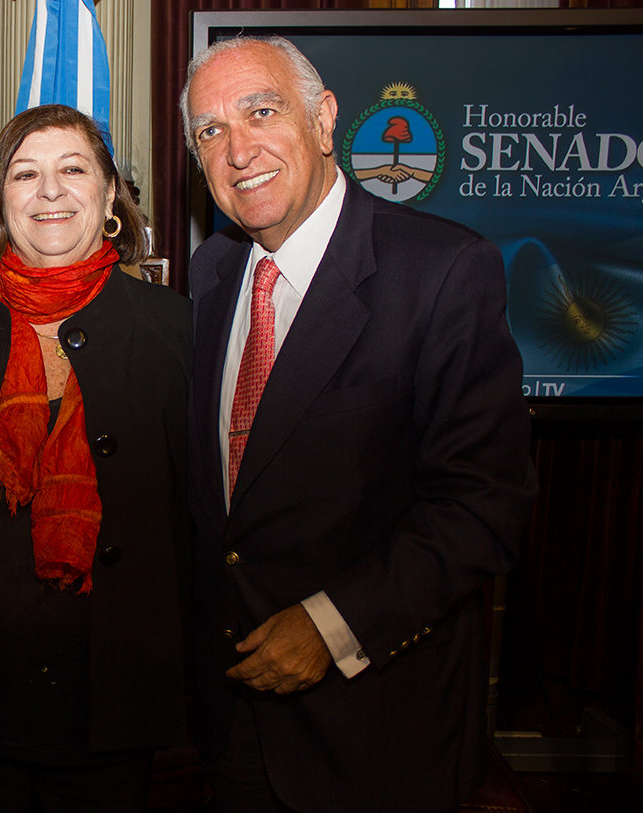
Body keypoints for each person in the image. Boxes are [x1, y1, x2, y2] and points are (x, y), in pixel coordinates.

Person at [181, 36, 536, 812]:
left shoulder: (442, 271)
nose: (238, 150)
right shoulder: (210, 277)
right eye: (210, 131)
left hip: (375, 731)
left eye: (260, 112)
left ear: (324, 119)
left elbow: (483, 504)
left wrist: (334, 623)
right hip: (233, 723)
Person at [0, 104, 192, 813]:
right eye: (26, 174)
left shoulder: (177, 328)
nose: (51, 191)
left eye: (73, 170)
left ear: (109, 195)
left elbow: (197, 521)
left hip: (110, 708)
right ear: (1, 202)